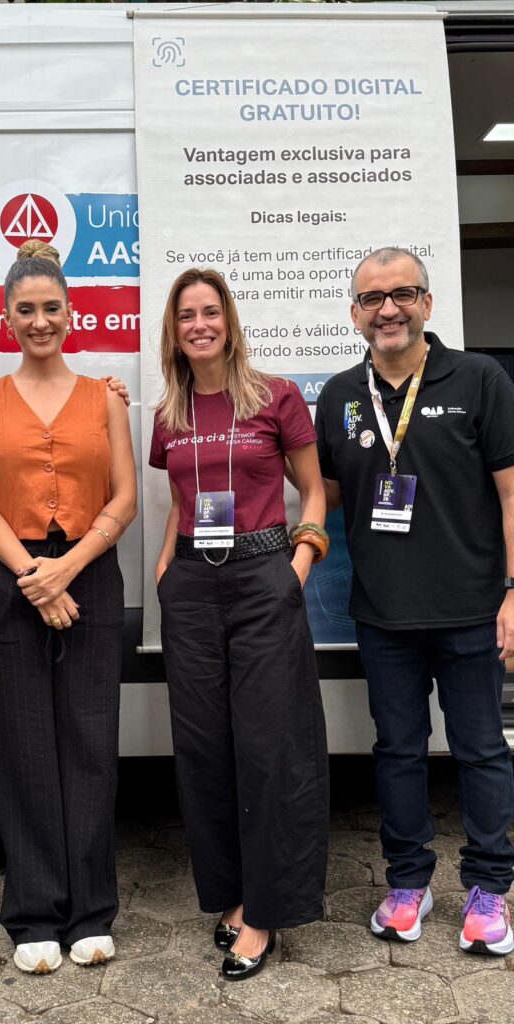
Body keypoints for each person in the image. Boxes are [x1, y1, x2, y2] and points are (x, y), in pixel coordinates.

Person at [315, 246, 514, 955]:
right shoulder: (340, 396)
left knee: (481, 751)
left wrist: (513, 594)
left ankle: (490, 886)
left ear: (427, 303)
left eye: (402, 294)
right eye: (372, 298)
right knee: (397, 752)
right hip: (383, 615)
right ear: (355, 314)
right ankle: (408, 882)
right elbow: (323, 494)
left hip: (471, 609)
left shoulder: (481, 379)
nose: (388, 309)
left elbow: (512, 495)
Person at [0, 240, 137, 975]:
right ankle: (34, 913)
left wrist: (66, 568)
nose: (40, 321)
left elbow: (125, 498)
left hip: (88, 573)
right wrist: (35, 573)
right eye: (26, 309)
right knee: (23, 746)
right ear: (6, 318)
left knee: (90, 745)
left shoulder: (106, 397)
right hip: (13, 577)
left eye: (51, 308)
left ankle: (91, 912)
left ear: (71, 313)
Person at [149, 267, 330, 982]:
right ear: (174, 331)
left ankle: (265, 912)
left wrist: (298, 564)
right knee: (204, 748)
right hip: (193, 584)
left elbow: (313, 488)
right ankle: (231, 894)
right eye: (186, 315)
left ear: (228, 321)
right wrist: (166, 569)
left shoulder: (275, 396)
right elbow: (179, 498)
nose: (199, 325)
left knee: (269, 747)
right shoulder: (170, 413)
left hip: (262, 577)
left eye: (210, 312)